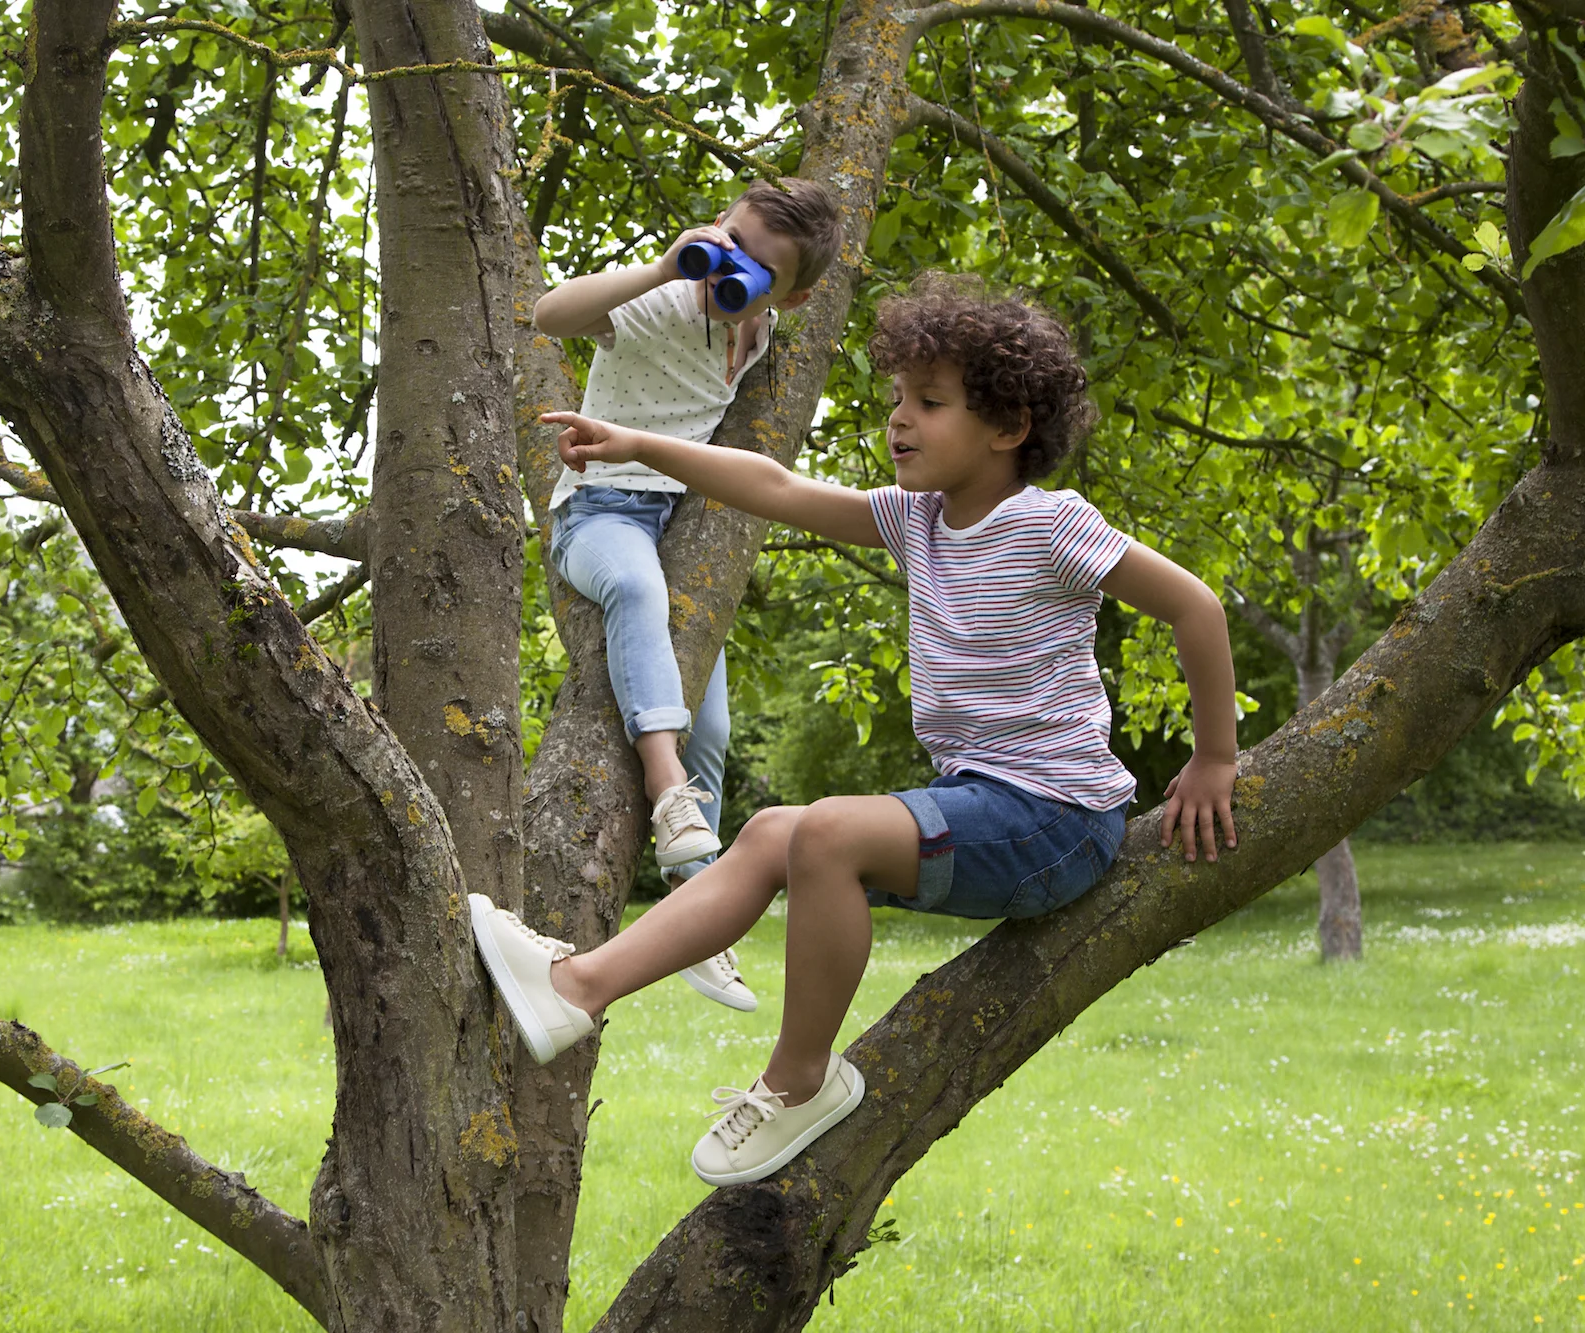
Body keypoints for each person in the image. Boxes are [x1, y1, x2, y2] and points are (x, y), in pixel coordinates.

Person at [473, 274, 1240, 1187]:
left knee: (828, 831)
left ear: (1008, 427)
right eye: (895, 400)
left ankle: (800, 1081)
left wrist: (1214, 754)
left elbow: (1195, 606)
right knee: (769, 833)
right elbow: (777, 486)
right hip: (980, 800)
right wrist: (642, 445)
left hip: (1059, 816)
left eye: (929, 402)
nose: (898, 420)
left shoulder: (1049, 524)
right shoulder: (916, 520)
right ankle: (575, 990)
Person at [532, 177, 844, 1011]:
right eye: (729, 241)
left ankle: (697, 911)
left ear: (795, 295)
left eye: (758, 268)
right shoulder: (669, 299)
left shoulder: (765, 331)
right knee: (634, 590)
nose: (729, 269)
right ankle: (667, 792)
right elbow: (550, 314)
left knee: (713, 723)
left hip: (672, 527)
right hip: (598, 514)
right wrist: (662, 266)